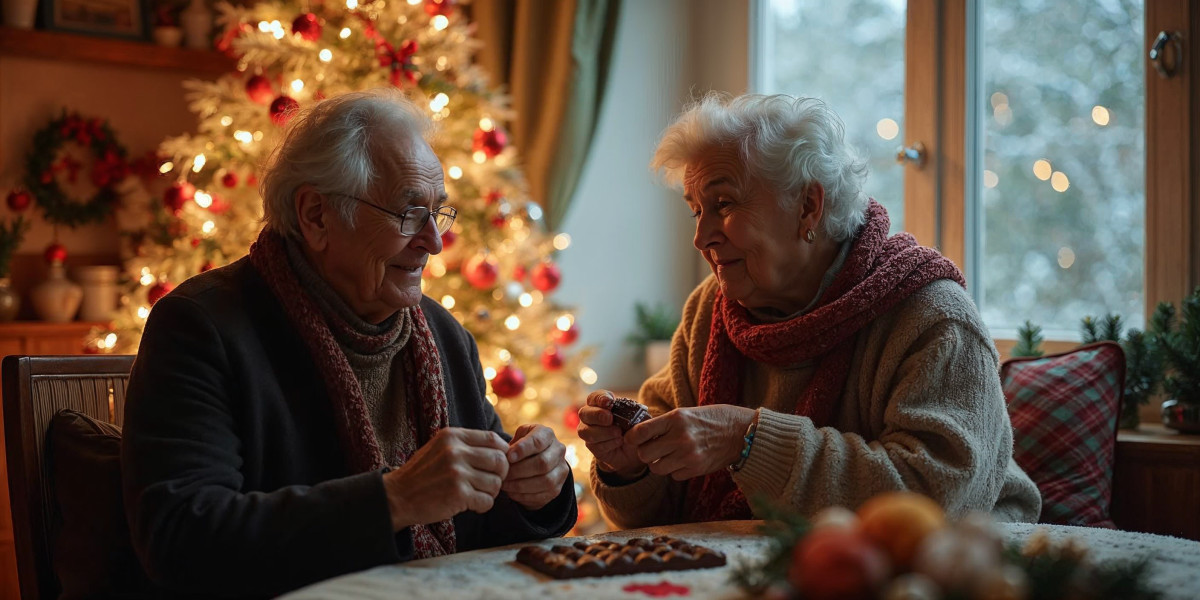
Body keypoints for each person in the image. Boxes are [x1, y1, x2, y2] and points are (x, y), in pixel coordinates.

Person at [121, 89, 577, 598]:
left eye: (438, 213)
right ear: (317, 216)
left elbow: (484, 532)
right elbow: (182, 541)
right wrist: (393, 500)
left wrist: (536, 490)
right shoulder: (202, 327)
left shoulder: (445, 337)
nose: (434, 241)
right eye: (409, 213)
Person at [579, 93, 1041, 528]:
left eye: (723, 204)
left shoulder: (930, 314)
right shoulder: (709, 311)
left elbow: (937, 498)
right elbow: (667, 512)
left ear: (808, 206)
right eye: (696, 210)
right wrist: (631, 468)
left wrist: (749, 442)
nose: (701, 237)